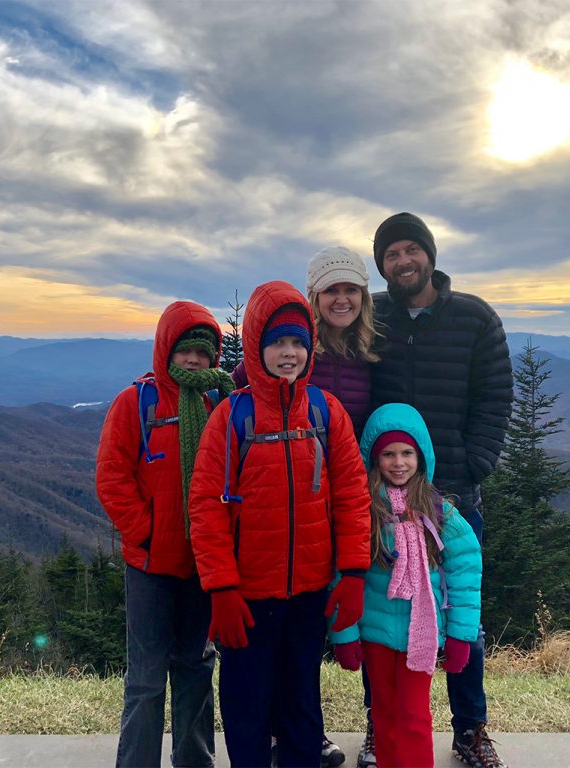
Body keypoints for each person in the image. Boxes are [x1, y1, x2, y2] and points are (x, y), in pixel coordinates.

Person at [188, 280, 372, 768]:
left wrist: (353, 573)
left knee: (301, 703)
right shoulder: (232, 417)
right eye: (276, 342)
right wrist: (221, 587)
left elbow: (352, 497)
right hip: (247, 596)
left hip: (309, 591)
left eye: (297, 342)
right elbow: (206, 507)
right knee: (247, 708)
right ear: (256, 346)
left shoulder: (324, 411)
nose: (288, 353)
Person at [369, 212, 513, 768]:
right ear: (381, 265)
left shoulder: (474, 318)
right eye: (391, 255)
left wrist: (473, 464)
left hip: (451, 493)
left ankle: (470, 728)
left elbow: (494, 399)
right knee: (384, 613)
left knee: (462, 617)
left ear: (430, 253)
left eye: (411, 250)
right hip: (384, 499)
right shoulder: (372, 317)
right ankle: (383, 727)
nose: (403, 262)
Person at [95, 300, 235, 768]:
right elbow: (112, 477)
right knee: (147, 679)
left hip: (203, 565)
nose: (194, 361)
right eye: (184, 351)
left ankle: (195, 762)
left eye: (202, 352)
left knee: (196, 670)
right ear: (165, 351)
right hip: (151, 567)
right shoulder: (136, 403)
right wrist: (148, 533)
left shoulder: (218, 402)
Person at [330, 403, 482, 768]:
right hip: (376, 633)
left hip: (422, 635)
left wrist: (462, 636)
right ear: (373, 458)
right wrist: (344, 634)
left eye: (407, 453)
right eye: (388, 454)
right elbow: (343, 574)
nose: (398, 462)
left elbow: (465, 577)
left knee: (414, 716)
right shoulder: (362, 512)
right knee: (383, 712)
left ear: (422, 456)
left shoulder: (439, 512)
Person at [233, 245, 377, 437]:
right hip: (298, 462)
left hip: (353, 463)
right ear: (315, 297)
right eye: (331, 290)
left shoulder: (372, 350)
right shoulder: (294, 349)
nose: (342, 300)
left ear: (363, 296)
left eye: (351, 289)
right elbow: (234, 388)